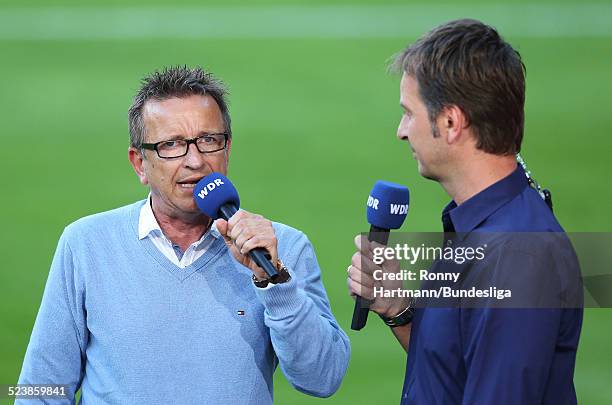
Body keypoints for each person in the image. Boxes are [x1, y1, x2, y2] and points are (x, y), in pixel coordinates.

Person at [18, 66, 350, 404]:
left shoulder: (279, 248)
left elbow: (322, 379)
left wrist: (275, 281)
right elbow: (41, 386)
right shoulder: (85, 244)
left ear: (227, 150)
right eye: (172, 144)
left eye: (208, 140)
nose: (195, 160)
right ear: (140, 164)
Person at [346, 19, 583, 404]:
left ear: (452, 122)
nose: (401, 130)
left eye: (410, 113)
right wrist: (400, 310)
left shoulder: (516, 258)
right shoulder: (481, 225)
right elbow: (453, 373)